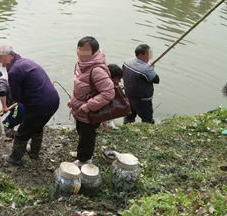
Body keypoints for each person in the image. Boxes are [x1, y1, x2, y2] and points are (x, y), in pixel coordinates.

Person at [0, 46, 59, 165]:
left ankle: (15, 159)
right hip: (53, 100)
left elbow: (17, 97)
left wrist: (19, 104)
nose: (1, 62)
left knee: (22, 132)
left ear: (11, 56)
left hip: (39, 104)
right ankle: (34, 153)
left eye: (2, 58)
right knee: (37, 126)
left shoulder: (14, 70)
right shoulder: (26, 62)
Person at [68, 37, 115, 166]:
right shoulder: (80, 64)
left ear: (94, 52)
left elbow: (109, 92)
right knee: (81, 132)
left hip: (89, 111)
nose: (81, 52)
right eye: (79, 49)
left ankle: (85, 160)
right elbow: (79, 86)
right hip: (79, 108)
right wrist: (72, 100)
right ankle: (82, 154)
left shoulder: (96, 70)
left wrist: (89, 106)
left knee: (87, 136)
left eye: (86, 50)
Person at [122, 44, 159, 124]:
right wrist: (151, 69)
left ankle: (126, 129)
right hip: (142, 100)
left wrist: (147, 66)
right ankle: (147, 133)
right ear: (141, 55)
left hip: (129, 95)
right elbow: (156, 80)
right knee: (147, 120)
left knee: (129, 117)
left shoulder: (127, 62)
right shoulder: (146, 69)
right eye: (148, 54)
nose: (150, 56)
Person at [0, 70, 25, 138]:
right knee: (23, 124)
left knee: (7, 126)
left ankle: (20, 140)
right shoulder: (8, 80)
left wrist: (4, 106)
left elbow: (2, 92)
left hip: (18, 107)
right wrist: (5, 109)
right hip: (26, 104)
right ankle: (26, 137)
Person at [101, 64, 123, 133]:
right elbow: (103, 107)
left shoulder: (106, 82)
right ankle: (106, 124)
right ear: (111, 78)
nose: (119, 81)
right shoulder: (104, 89)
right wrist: (105, 127)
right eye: (118, 78)